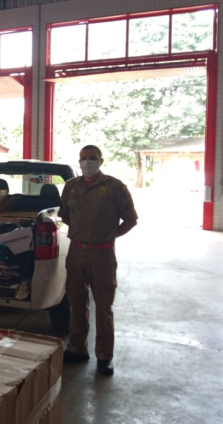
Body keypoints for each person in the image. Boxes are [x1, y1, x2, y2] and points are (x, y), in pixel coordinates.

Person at [58, 145, 138, 376]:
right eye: (83, 158)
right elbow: (65, 215)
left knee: (103, 306)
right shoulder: (71, 186)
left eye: (92, 158)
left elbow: (131, 220)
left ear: (101, 161)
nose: (87, 162)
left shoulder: (114, 187)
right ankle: (77, 348)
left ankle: (104, 356)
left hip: (102, 254)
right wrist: (83, 232)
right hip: (76, 252)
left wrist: (109, 236)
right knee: (76, 302)